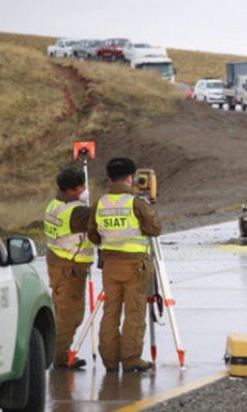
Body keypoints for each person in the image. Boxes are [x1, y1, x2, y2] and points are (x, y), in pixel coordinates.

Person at [88, 158, 161, 373]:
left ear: (110, 178)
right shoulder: (135, 203)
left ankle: (110, 361)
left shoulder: (99, 203)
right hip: (135, 266)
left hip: (110, 266)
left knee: (110, 312)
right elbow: (154, 229)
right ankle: (130, 359)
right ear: (130, 178)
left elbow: (93, 235)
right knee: (134, 312)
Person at [44, 168, 94, 369]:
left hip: (56, 262)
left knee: (61, 312)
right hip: (70, 268)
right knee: (70, 316)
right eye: (81, 186)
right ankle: (59, 357)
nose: (85, 189)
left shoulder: (54, 204)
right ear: (72, 190)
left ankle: (59, 354)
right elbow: (97, 219)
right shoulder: (76, 212)